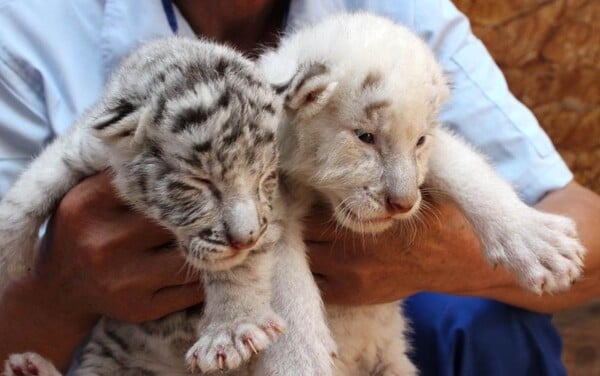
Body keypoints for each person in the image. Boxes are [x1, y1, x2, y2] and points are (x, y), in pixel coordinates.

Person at [0, 0, 598, 375]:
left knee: (486, 323)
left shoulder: (399, 21)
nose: (401, 196)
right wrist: (58, 291)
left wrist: (454, 251)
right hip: (140, 349)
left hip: (345, 340)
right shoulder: (27, 31)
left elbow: (577, 233)